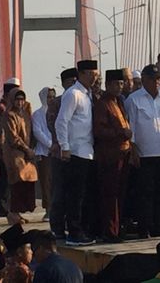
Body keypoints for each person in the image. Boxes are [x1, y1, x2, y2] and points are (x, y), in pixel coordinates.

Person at [125, 64, 160, 238]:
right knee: (145, 193)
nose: (156, 82)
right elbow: (130, 127)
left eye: (158, 79)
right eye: (152, 79)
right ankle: (145, 226)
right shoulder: (134, 100)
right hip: (145, 154)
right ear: (144, 80)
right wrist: (133, 151)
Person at [55, 60, 99, 246]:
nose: (94, 77)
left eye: (95, 74)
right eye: (90, 74)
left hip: (88, 151)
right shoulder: (73, 94)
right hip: (75, 152)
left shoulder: (88, 95)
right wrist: (64, 146)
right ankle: (73, 232)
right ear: (81, 74)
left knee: (85, 194)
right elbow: (61, 121)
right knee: (74, 195)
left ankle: (82, 229)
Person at [92, 69, 132, 243]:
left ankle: (117, 229)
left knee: (120, 194)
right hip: (110, 156)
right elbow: (99, 131)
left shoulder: (119, 102)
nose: (119, 87)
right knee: (110, 196)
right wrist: (120, 132)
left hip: (123, 155)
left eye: (121, 83)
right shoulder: (103, 104)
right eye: (116, 84)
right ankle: (110, 231)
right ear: (107, 85)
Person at [47, 68, 78, 239]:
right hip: (60, 153)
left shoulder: (81, 97)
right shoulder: (57, 102)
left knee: (73, 193)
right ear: (64, 83)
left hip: (77, 152)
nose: (74, 83)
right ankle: (57, 227)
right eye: (71, 80)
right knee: (59, 192)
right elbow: (53, 125)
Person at [2, 89, 38, 225]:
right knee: (16, 182)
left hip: (27, 153)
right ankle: (13, 213)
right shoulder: (9, 115)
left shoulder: (26, 114)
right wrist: (26, 149)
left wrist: (31, 149)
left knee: (27, 182)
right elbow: (13, 137)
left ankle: (18, 212)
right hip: (14, 154)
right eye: (17, 99)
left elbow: (31, 132)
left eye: (22, 99)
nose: (20, 102)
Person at [0, 78, 22, 216]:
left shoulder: (8, 108)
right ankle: (3, 209)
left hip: (7, 151)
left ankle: (6, 209)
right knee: (4, 181)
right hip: (4, 151)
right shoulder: (2, 109)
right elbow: (1, 131)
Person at [32, 87, 55, 222]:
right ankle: (48, 210)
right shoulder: (37, 114)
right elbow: (37, 132)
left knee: (56, 183)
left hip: (56, 152)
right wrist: (50, 145)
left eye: (53, 97)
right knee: (46, 182)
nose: (51, 99)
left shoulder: (57, 112)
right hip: (44, 153)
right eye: (49, 97)